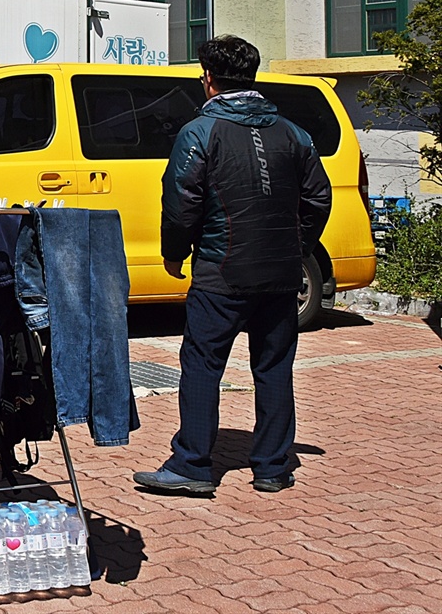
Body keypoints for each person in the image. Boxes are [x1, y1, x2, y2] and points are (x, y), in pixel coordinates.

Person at [133, 35, 332, 495]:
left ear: (207, 78)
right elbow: (318, 199)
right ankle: (272, 467)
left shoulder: (200, 132)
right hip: (281, 275)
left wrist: (174, 252)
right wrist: (296, 246)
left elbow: (181, 204)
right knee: (274, 366)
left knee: (203, 365)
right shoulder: (292, 133)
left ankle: (192, 466)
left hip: (221, 273)